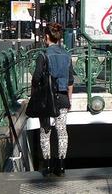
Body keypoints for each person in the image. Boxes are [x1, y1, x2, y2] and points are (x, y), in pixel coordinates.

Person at [32, 22, 74, 177]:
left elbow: (36, 79)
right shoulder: (67, 55)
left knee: (45, 131)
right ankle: (61, 165)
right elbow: (70, 81)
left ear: (47, 37)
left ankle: (48, 165)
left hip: (46, 99)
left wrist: (34, 96)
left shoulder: (43, 55)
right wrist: (69, 99)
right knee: (62, 131)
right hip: (62, 98)